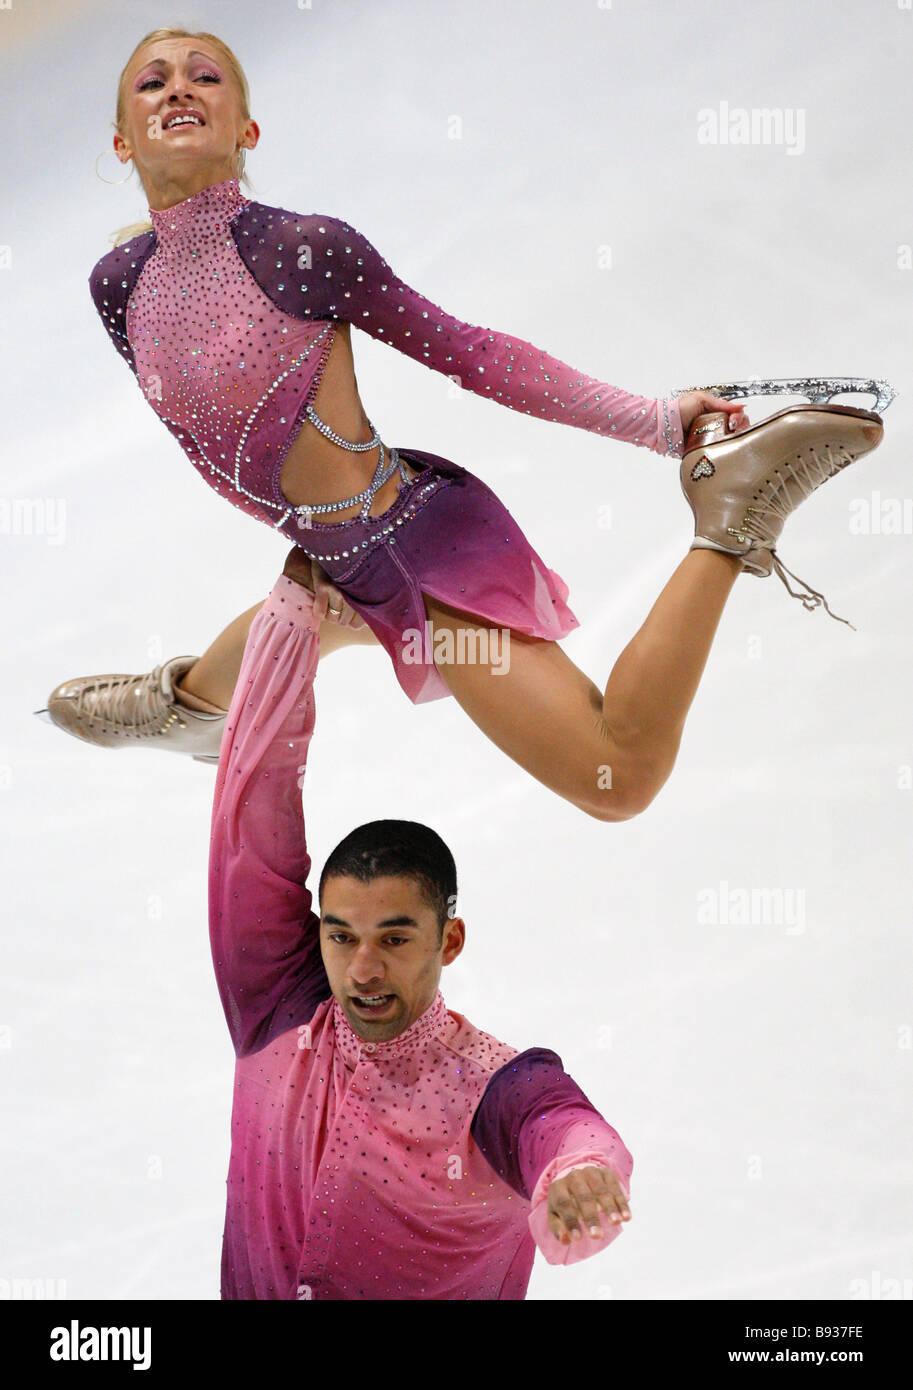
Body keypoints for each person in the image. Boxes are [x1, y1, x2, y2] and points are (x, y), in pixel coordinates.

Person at [45, 26, 889, 822]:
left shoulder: (304, 250)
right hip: (335, 561)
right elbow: (221, 447)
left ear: (248, 128)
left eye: (205, 76)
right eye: (151, 83)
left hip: (410, 546)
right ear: (123, 139)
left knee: (616, 776)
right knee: (296, 613)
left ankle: (728, 517)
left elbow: (473, 355)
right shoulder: (117, 284)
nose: (177, 89)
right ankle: (191, 703)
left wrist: (657, 422)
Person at [210, 568, 632, 1299]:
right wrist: (294, 613)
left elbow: (560, 1125)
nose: (363, 968)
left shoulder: (492, 1088)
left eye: (395, 939)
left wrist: (580, 1172)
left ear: (450, 941)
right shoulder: (275, 1002)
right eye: (341, 936)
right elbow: (254, 802)